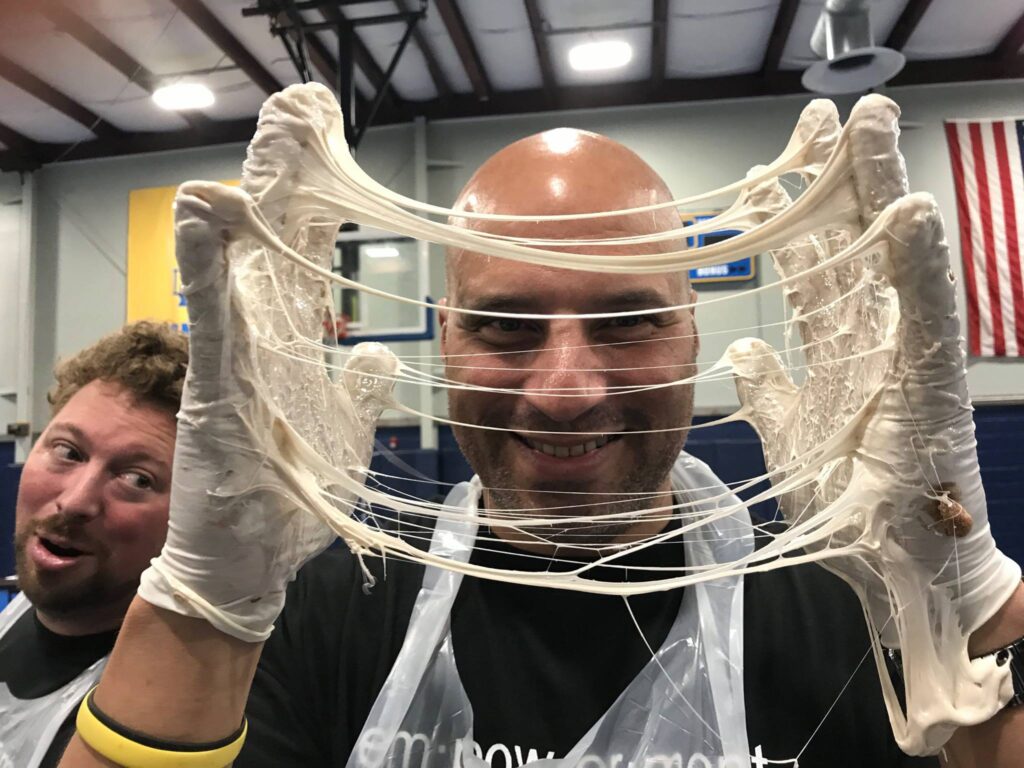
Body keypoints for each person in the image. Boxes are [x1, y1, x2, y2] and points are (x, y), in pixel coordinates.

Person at [60, 90, 1023, 768]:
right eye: (505, 328)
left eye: (627, 322)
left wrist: (960, 593)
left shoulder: (849, 608)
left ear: (692, 331)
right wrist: (204, 604)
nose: (565, 391)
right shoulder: (324, 606)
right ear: (444, 341)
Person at [0, 321, 187, 768]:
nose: (76, 501)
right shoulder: (21, 612)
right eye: (68, 451)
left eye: (137, 479)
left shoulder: (182, 709)